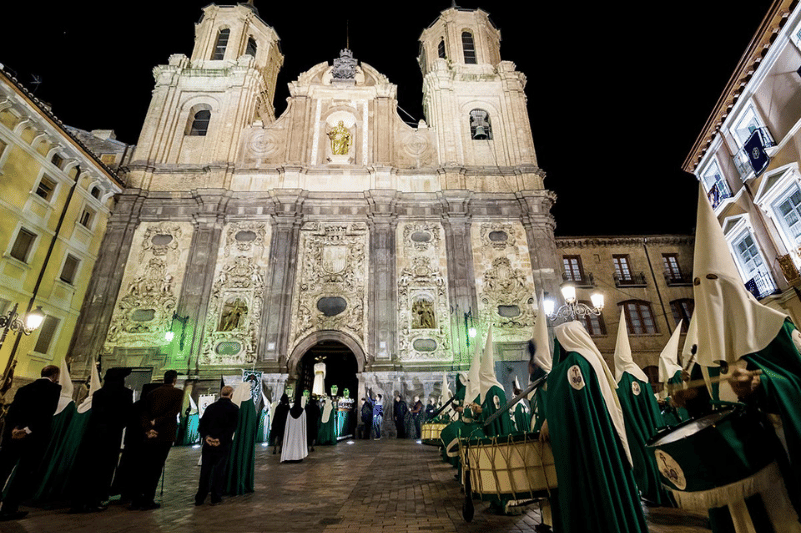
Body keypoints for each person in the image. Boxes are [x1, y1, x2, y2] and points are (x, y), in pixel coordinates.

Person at [541, 321, 648, 532]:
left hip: (585, 446)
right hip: (601, 441)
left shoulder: (574, 363)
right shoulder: (592, 361)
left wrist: (550, 420)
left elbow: (568, 403)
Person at [613, 310, 673, 507]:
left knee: (643, 462)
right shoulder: (641, 376)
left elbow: (625, 408)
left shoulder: (624, 381)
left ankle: (651, 492)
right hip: (651, 428)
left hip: (635, 430)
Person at [0, 364, 61, 521]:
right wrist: (27, 430)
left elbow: (12, 413)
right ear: (55, 376)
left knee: (3, 469)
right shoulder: (54, 390)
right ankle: (8, 509)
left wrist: (14, 430)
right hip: (33, 439)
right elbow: (45, 414)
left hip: (13, 436)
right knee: (22, 475)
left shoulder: (24, 388)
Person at [71, 367, 134, 513]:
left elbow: (95, 413)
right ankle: (95, 500)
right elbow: (127, 416)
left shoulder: (98, 393)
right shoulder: (125, 394)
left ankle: (80, 500)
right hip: (111, 436)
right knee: (104, 468)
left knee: (88, 467)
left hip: (93, 435)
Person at [131, 370, 184, 510]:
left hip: (150, 435)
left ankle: (136, 499)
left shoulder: (152, 393)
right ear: (174, 380)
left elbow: (144, 412)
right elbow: (174, 412)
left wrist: (148, 428)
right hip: (165, 434)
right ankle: (148, 499)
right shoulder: (178, 393)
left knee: (143, 467)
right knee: (156, 468)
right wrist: (157, 422)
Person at [195, 385, 239, 506]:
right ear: (231, 395)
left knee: (205, 470)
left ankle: (200, 497)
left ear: (220, 394)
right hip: (223, 444)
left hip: (208, 444)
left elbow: (202, 426)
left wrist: (207, 437)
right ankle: (215, 497)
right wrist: (220, 440)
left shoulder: (210, 407)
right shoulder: (234, 408)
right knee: (219, 470)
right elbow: (232, 428)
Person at [281, 394, 308, 462]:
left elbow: (288, 425)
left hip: (291, 432)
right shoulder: (303, 411)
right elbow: (304, 425)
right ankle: (298, 456)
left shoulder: (290, 411)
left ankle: (289, 456)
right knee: (299, 442)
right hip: (299, 432)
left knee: (290, 442)